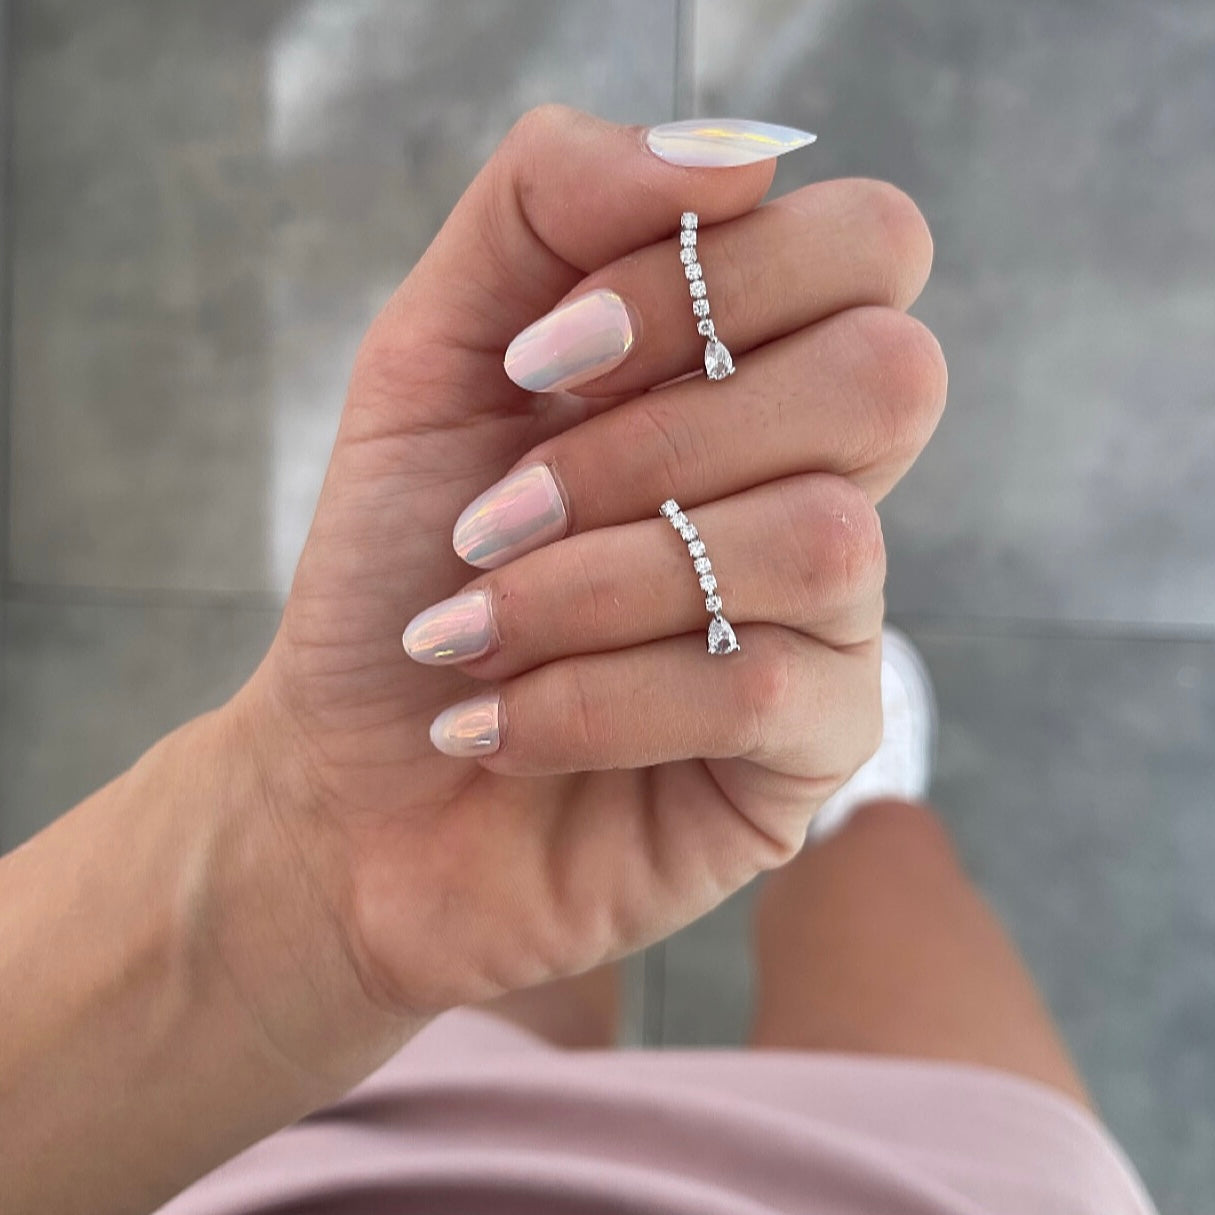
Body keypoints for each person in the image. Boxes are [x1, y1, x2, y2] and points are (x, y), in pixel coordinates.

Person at [0, 107, 1156, 1215]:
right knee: (883, 856)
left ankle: (769, 757)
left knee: (514, 894)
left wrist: (313, 863)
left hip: (313, 1140)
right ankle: (856, 798)